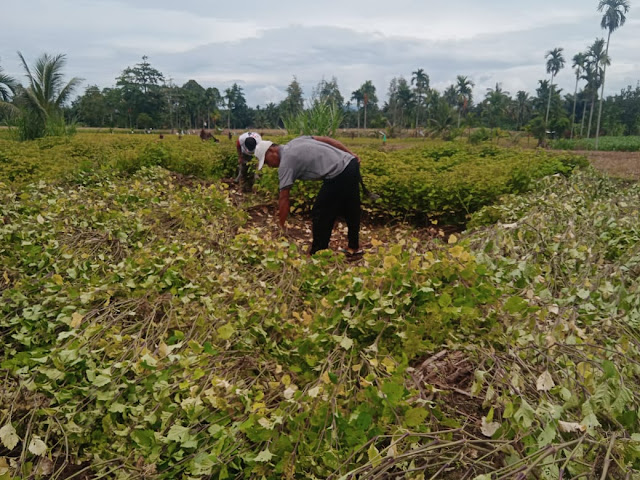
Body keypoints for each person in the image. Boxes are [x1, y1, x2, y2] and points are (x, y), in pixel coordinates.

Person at [254, 136, 363, 256]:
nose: (269, 165)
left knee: (320, 212)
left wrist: (281, 226)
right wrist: (350, 153)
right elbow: (327, 139)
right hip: (350, 163)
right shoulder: (297, 141)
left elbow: (284, 197)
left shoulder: (286, 163)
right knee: (351, 208)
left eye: (266, 161)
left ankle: (318, 253)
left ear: (271, 151)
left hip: (338, 173)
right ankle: (354, 248)